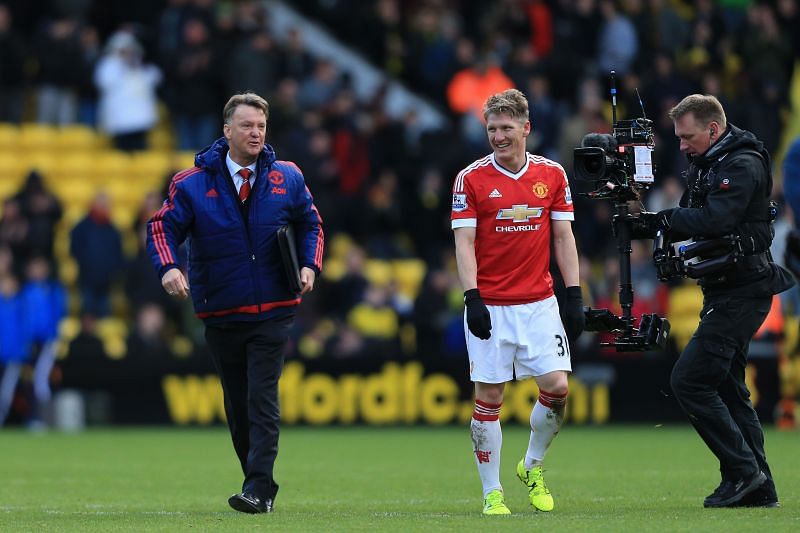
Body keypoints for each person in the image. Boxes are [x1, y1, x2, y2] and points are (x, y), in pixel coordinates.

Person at [146, 92, 324, 514]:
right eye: (247, 126)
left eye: (261, 126)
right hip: (221, 309)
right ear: (227, 132)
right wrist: (169, 267)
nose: (256, 133)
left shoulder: (288, 177)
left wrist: (310, 266)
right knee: (237, 401)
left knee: (261, 397)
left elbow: (311, 223)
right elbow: (160, 228)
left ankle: (260, 486)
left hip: (274, 309)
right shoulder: (190, 183)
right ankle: (256, 482)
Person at [640, 94, 795, 508]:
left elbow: (716, 220)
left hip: (744, 291)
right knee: (727, 388)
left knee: (688, 380)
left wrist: (664, 219)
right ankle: (759, 488)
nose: (682, 146)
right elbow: (702, 219)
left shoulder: (741, 164)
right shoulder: (712, 162)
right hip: (728, 289)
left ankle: (745, 472)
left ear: (713, 129)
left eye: (688, 137)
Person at [450, 88, 584, 515]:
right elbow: (464, 242)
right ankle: (492, 492)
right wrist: (472, 297)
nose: (498, 136)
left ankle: (532, 465)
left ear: (526, 128)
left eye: (507, 128)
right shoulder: (470, 179)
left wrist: (575, 293)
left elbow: (563, 237)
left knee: (558, 388)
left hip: (539, 303)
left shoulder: (553, 174)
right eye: (492, 128)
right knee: (489, 397)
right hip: (490, 303)